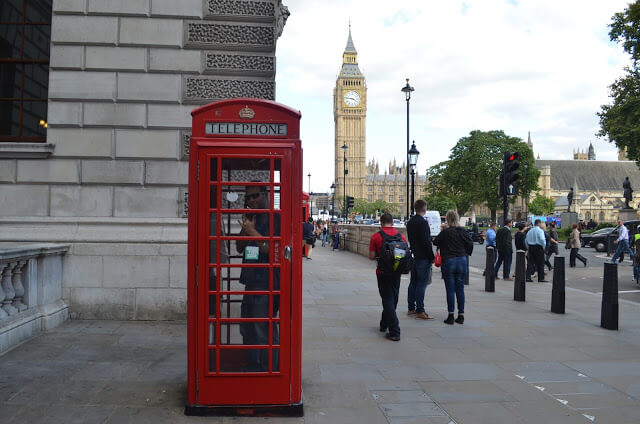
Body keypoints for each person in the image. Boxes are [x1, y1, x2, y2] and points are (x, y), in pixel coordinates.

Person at [236, 185, 280, 371]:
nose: (252, 200)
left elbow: (273, 250)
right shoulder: (250, 218)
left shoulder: (276, 218)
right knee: (247, 327)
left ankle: (270, 370)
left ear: (266, 194)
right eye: (248, 198)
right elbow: (238, 247)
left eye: (255, 196)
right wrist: (246, 230)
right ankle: (252, 366)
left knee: (264, 329)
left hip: (267, 282)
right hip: (250, 281)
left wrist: (252, 231)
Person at [369, 213, 407, 341]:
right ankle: (383, 324)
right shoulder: (401, 236)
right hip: (397, 271)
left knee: (387, 299)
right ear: (392, 223)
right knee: (393, 299)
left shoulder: (376, 236)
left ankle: (395, 331)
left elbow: (372, 256)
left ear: (381, 222)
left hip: (383, 272)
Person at [433, 210, 473, 325]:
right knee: (460, 288)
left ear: (448, 219)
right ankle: (461, 315)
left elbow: (435, 242)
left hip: (449, 261)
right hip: (461, 260)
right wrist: (465, 252)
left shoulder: (445, 232)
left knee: (450, 289)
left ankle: (451, 315)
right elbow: (470, 243)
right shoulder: (463, 231)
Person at [406, 199, 435, 320]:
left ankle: (411, 307)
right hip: (423, 257)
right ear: (424, 209)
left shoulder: (410, 222)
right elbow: (426, 242)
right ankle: (420, 310)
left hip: (414, 255)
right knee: (422, 284)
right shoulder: (422, 223)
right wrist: (431, 257)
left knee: (413, 283)